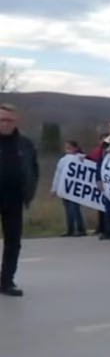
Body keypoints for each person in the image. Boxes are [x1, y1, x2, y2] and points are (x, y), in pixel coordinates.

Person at [0, 103, 39, 297]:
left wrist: (29, 193)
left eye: (9, 120)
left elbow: (33, 169)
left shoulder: (25, 144)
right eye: (2, 119)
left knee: (13, 242)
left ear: (16, 121)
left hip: (14, 199)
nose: (5, 123)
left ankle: (7, 281)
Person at [56, 140, 87, 237]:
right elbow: (58, 175)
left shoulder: (80, 158)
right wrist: (55, 188)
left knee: (75, 209)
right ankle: (70, 229)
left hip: (75, 189)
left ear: (75, 148)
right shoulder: (62, 160)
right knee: (68, 210)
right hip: (65, 188)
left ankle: (80, 229)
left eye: (70, 147)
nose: (68, 149)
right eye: (66, 147)